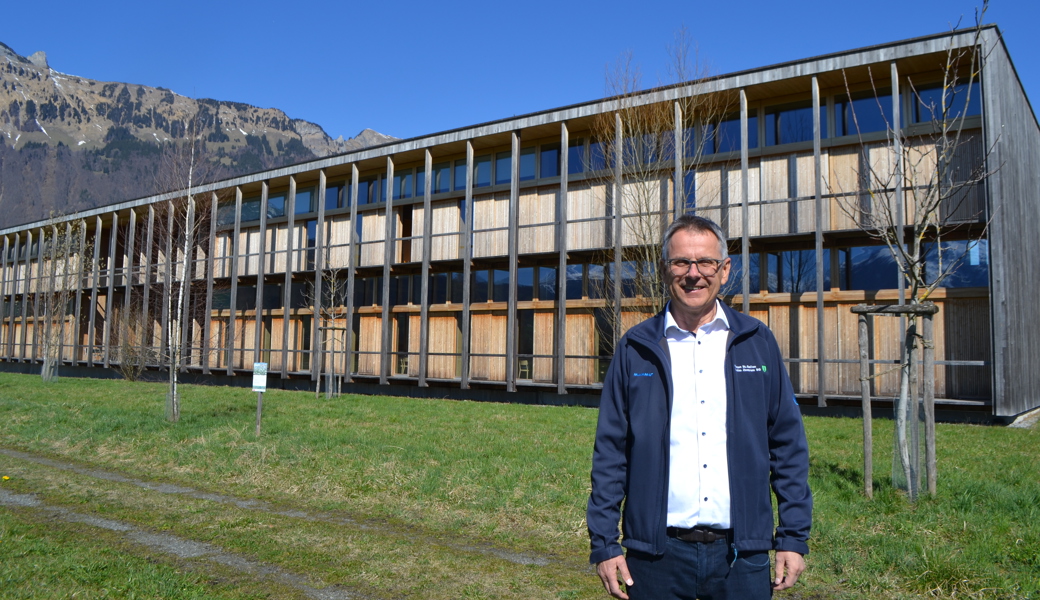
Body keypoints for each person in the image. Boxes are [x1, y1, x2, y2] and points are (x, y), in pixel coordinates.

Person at [587, 215, 812, 599]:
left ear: (724, 270)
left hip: (743, 556)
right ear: (664, 270)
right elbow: (610, 453)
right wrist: (605, 544)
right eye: (681, 262)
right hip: (654, 556)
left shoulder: (758, 343)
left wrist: (792, 536)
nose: (694, 274)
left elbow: (787, 446)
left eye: (705, 262)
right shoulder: (634, 349)